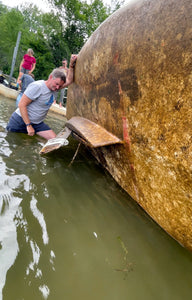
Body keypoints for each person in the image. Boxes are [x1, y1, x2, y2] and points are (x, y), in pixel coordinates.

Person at [7, 54, 77, 140]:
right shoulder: (37, 86)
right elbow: (21, 104)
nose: (58, 88)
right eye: (57, 84)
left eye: (60, 86)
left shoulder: (55, 88)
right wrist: (28, 125)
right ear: (51, 77)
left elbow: (70, 80)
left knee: (55, 141)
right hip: (20, 121)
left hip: (37, 124)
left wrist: (71, 64)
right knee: (17, 145)